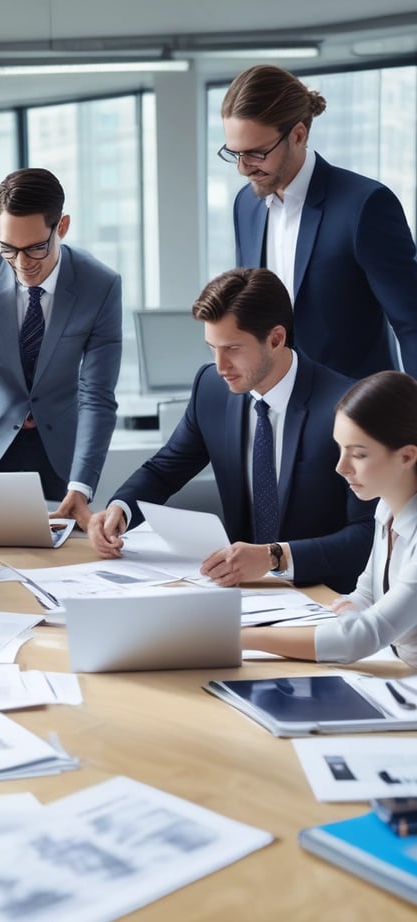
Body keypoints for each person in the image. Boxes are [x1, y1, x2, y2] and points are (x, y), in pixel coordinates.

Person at [88, 268, 375, 594]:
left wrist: (274, 557)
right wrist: (119, 510)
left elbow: (367, 533)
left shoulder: (347, 408)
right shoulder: (211, 388)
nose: (220, 366)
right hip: (240, 594)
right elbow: (164, 470)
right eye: (212, 348)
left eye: (233, 349)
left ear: (276, 339)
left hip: (324, 597)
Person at [0, 167, 122, 531]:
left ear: (62, 227)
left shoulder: (100, 286)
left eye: (37, 247)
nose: (22, 265)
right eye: (8, 248)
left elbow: (97, 395)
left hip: (60, 453)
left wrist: (81, 486)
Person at [219, 64, 417, 380]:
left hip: (354, 412)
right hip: (275, 405)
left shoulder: (365, 205)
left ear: (298, 135)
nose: (243, 168)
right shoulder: (246, 204)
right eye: (235, 154)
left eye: (256, 153)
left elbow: (411, 322)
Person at [243, 371, 417, 666]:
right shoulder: (386, 508)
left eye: (358, 455)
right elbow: (363, 597)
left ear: (407, 456)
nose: (341, 467)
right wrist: (353, 615)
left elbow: (359, 638)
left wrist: (238, 637)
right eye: (340, 449)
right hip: (397, 672)